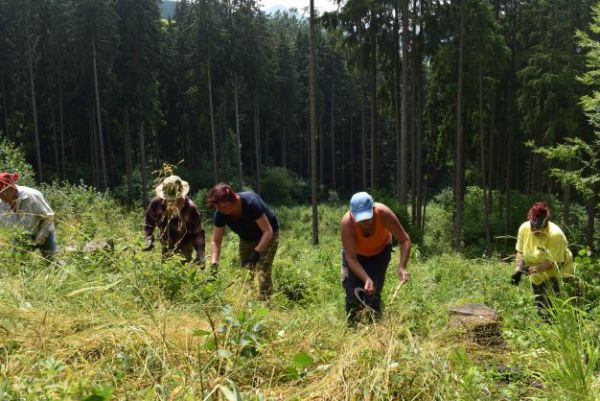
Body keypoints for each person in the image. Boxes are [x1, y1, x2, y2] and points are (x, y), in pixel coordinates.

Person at [340, 192, 411, 324]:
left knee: (372, 294)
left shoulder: (384, 214)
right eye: (361, 220)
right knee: (352, 293)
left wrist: (402, 266)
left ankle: (374, 328)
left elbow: (404, 240)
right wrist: (366, 278)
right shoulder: (347, 223)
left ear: (373, 209)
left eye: (368, 218)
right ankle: (353, 331)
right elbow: (351, 258)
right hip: (355, 257)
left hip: (379, 253)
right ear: (352, 214)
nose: (365, 223)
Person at [206, 183, 279, 299]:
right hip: (246, 237)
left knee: (263, 269)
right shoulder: (221, 213)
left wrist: (257, 252)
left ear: (232, 199)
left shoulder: (251, 203)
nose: (221, 211)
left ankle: (266, 302)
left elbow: (268, 231)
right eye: (218, 208)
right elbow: (216, 240)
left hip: (268, 235)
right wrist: (214, 263)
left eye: (223, 207)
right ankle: (248, 300)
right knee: (246, 270)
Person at [512, 201, 573, 319]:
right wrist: (518, 270)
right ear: (530, 219)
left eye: (540, 228)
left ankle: (553, 327)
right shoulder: (524, 228)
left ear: (545, 222)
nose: (536, 232)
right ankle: (543, 323)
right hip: (537, 270)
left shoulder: (556, 235)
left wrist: (530, 269)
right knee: (540, 303)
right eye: (533, 228)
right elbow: (520, 252)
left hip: (558, 270)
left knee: (552, 306)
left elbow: (552, 263)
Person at [143, 175, 205, 265]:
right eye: (168, 199)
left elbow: (198, 232)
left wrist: (200, 253)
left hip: (185, 244)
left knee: (180, 270)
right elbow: (149, 222)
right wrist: (148, 238)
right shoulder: (157, 203)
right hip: (166, 243)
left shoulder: (190, 208)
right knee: (166, 269)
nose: (171, 202)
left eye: (174, 199)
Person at [0, 172, 58, 260]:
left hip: (43, 230)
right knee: (17, 261)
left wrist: (42, 235)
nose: (1, 197)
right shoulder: (1, 204)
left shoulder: (32, 196)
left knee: (51, 260)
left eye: (2, 193)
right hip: (20, 236)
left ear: (11, 187)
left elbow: (49, 216)